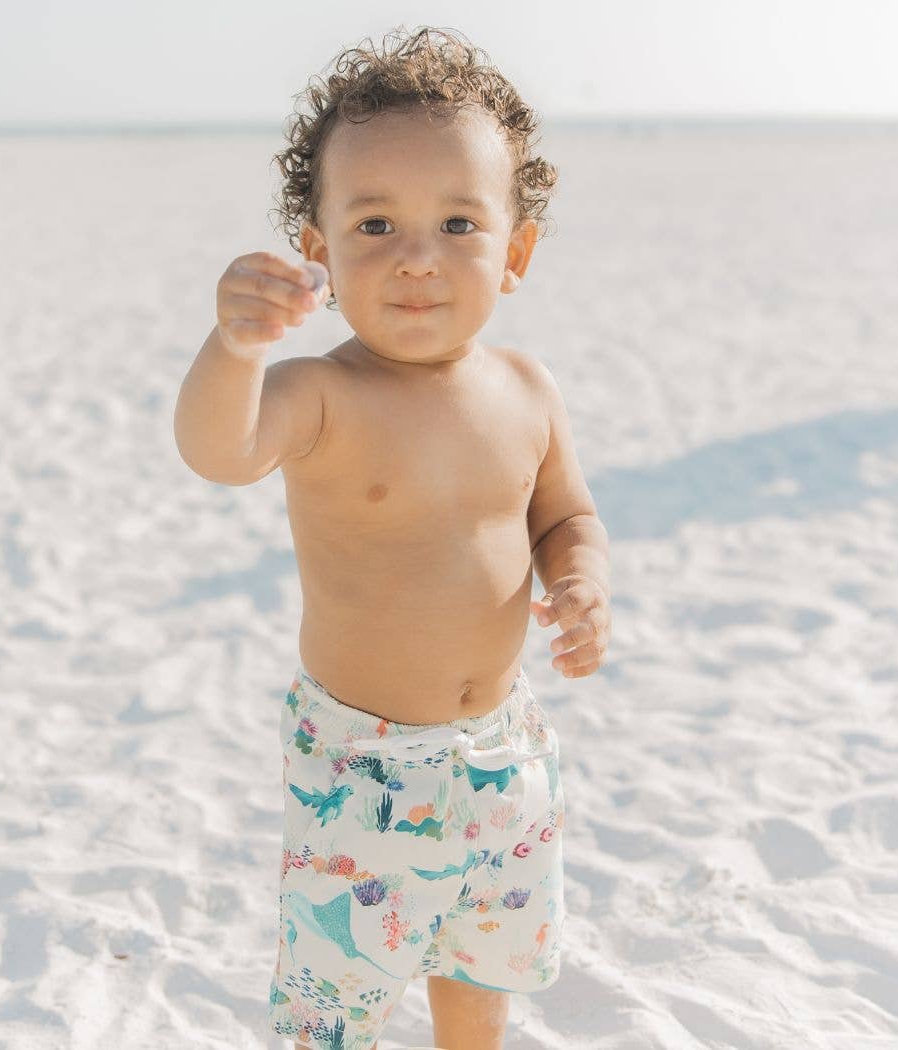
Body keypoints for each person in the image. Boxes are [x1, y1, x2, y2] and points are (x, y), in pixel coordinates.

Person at [173, 25, 611, 1050]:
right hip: (360, 765)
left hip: (503, 747)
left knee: (481, 954)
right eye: (374, 224)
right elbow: (219, 451)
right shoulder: (321, 393)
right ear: (318, 252)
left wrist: (582, 581)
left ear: (515, 252)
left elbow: (565, 516)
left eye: (458, 222)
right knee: (341, 992)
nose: (417, 256)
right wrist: (233, 348)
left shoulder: (527, 389)